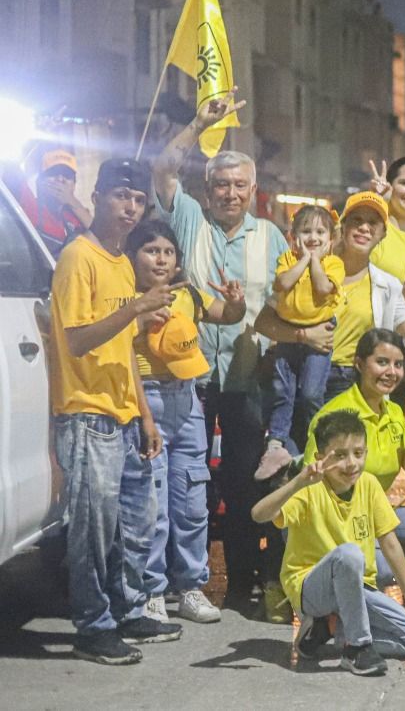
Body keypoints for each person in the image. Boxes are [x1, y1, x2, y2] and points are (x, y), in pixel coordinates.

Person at [153, 99, 294, 617]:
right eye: (220, 185)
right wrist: (199, 124)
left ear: (253, 191)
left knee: (241, 482)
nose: (230, 193)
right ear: (207, 189)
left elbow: (287, 304)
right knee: (188, 482)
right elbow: (163, 170)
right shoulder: (189, 220)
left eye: (239, 186)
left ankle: (241, 582)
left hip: (248, 379)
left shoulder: (270, 236)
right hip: (187, 378)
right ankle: (177, 582)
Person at [49, 158, 183, 664]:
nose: (131, 207)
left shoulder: (122, 262)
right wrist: (136, 308)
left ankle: (126, 610)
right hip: (87, 413)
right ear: (98, 197)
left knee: (132, 525)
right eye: (121, 195)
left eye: (138, 199)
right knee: (92, 528)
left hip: (123, 414)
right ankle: (92, 626)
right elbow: (76, 341)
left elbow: (125, 348)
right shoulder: (77, 257)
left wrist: (144, 415)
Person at [251, 410, 405, 676]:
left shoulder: (369, 484)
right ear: (320, 459)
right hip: (312, 589)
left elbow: (390, 542)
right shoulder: (309, 489)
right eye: (339, 455)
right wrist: (297, 482)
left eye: (358, 453)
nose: (351, 463)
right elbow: (258, 514)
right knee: (350, 554)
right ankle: (356, 648)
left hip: (357, 587)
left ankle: (330, 628)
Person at [126, 217, 243, 626]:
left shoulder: (188, 294)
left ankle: (191, 587)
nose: (160, 259)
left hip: (188, 398)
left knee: (192, 500)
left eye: (168, 252)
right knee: (152, 504)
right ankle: (152, 591)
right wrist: (138, 319)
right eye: (151, 250)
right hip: (147, 400)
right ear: (133, 256)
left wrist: (236, 302)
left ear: (177, 261)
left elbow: (228, 315)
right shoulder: (127, 299)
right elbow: (115, 346)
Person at [305, 328, 405, 584]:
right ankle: (345, 577)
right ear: (359, 364)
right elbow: (313, 488)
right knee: (384, 569)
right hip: (335, 522)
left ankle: (366, 574)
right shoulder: (337, 415)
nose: (391, 372)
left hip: (370, 517)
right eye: (382, 362)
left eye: (398, 364)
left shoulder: (393, 412)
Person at [256, 205, 346, 476]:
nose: (313, 238)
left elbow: (323, 287)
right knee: (283, 390)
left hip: (320, 329)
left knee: (310, 393)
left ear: (331, 240)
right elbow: (282, 284)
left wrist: (315, 260)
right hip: (288, 331)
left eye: (320, 232)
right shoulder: (288, 259)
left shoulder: (333, 263)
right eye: (306, 231)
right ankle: (276, 444)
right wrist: (304, 259)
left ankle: (318, 440)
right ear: (293, 236)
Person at [319, 191, 405, 400]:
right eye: (357, 220)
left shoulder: (389, 286)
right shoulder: (315, 272)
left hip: (355, 384)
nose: (364, 228)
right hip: (307, 376)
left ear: (383, 234)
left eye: (373, 223)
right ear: (343, 226)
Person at [10, 147, 91, 255]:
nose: (60, 179)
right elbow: (11, 172)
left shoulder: (77, 215)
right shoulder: (29, 207)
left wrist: (71, 201)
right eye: (53, 173)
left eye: (67, 176)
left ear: (74, 184)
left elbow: (101, 239)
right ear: (40, 181)